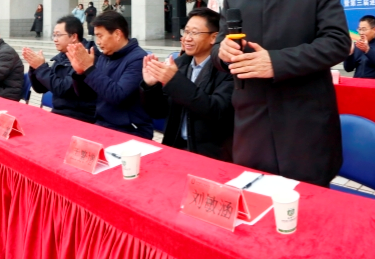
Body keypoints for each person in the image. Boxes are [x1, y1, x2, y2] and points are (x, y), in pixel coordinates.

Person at [212, 0, 350, 187]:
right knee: (255, 200)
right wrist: (222, 52)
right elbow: (220, 45)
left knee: (308, 205)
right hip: (251, 125)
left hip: (305, 126)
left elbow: (337, 42)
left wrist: (275, 63)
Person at [141, 8, 234, 161]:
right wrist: (151, 86)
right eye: (186, 32)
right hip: (176, 148)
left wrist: (175, 81)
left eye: (194, 33)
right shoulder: (179, 65)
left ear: (214, 37)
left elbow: (216, 110)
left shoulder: (227, 70)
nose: (187, 38)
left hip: (209, 156)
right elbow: (158, 112)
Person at [67, 11, 153, 139]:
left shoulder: (138, 59)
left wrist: (89, 68)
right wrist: (80, 73)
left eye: (100, 36)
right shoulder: (105, 56)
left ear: (117, 34)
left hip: (131, 130)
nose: (98, 42)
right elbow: (87, 96)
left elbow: (117, 95)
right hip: (103, 124)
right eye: (96, 37)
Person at [23, 15, 97, 123]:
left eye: (58, 35)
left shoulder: (87, 57)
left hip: (79, 116)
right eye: (54, 35)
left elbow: (62, 89)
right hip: (59, 113)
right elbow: (40, 88)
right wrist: (34, 68)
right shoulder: (62, 56)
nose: (55, 39)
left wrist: (41, 67)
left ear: (74, 36)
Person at [343, 15, 375, 79]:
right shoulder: (358, 44)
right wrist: (350, 54)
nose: (361, 33)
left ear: (374, 30)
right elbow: (348, 69)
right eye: (359, 29)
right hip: (358, 82)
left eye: (364, 29)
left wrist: (367, 50)